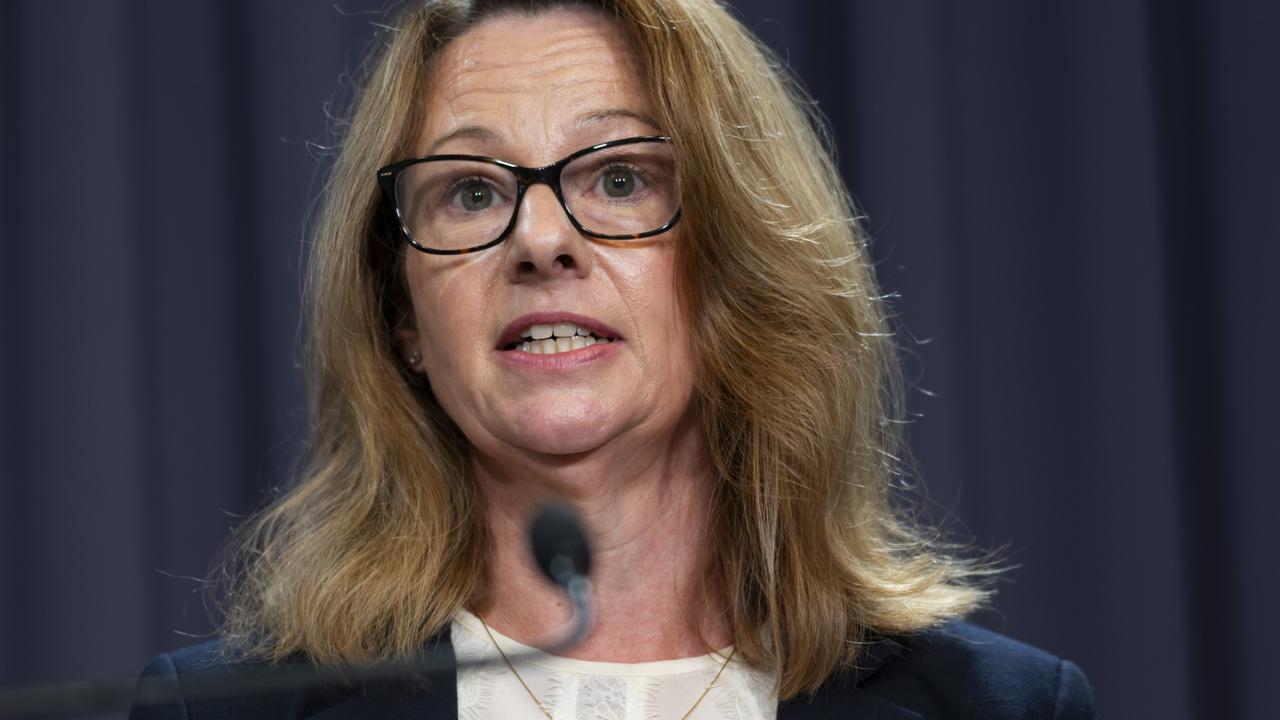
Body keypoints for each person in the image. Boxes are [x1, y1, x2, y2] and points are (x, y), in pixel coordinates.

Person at [130, 0, 1095, 718]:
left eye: (620, 177)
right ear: (402, 315)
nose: (539, 240)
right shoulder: (217, 713)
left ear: (737, 267)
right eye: (469, 193)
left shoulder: (1002, 709)